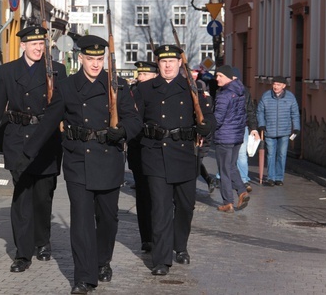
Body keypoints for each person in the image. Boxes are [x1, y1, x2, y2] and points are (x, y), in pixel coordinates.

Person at [14, 35, 142, 294]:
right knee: (81, 221)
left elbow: (134, 119)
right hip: (78, 160)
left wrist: (123, 131)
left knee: (108, 219)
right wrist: (27, 151)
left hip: (109, 158)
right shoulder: (69, 86)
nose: (96, 64)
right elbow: (50, 119)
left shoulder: (116, 84)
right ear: (80, 58)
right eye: (91, 59)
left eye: (100, 59)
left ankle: (102, 260)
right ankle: (83, 277)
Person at [0, 25, 67, 273]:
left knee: (43, 196)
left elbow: (65, 106)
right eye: (33, 44)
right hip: (17, 140)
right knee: (22, 196)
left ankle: (42, 241)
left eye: (42, 44)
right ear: (23, 46)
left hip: (47, 142)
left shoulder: (57, 71)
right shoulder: (8, 71)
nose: (38, 48)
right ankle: (22, 253)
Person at [132, 45, 215, 276]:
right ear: (157, 64)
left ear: (180, 63)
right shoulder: (145, 89)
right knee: (160, 208)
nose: (168, 65)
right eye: (163, 61)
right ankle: (161, 259)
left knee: (186, 206)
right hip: (155, 152)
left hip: (184, 154)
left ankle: (181, 246)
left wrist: (206, 126)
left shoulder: (193, 88)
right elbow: (134, 119)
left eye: (172, 61)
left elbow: (208, 116)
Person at [127, 60, 158, 253]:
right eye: (139, 74)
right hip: (138, 149)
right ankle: (147, 237)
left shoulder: (159, 92)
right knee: (143, 196)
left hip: (156, 150)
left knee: (159, 196)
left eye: (145, 74)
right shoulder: (133, 93)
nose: (140, 77)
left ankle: (159, 234)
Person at [213, 65, 249, 213]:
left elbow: (218, 118)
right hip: (237, 135)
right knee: (232, 166)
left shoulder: (224, 94)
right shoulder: (240, 91)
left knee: (224, 170)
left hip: (225, 136)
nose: (217, 78)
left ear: (228, 77)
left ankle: (228, 202)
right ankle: (242, 191)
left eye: (220, 75)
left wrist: (207, 130)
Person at [257, 76, 300, 186]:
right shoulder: (266, 96)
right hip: (269, 130)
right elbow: (260, 111)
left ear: (284, 86)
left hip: (284, 131)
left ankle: (279, 177)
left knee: (281, 154)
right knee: (271, 154)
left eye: (278, 85)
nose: (276, 86)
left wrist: (296, 128)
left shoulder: (290, 97)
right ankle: (271, 177)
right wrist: (261, 124)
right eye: (274, 84)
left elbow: (295, 113)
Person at [232, 67, 259, 193]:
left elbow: (250, 110)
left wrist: (253, 128)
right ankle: (221, 176)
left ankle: (243, 179)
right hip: (228, 128)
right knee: (227, 154)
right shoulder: (223, 91)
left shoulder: (245, 92)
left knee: (242, 155)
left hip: (242, 127)